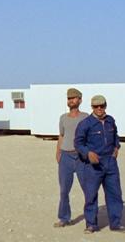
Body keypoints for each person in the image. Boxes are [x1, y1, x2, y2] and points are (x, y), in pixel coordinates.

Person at [74, 95, 125, 234]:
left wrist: (116, 147)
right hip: (93, 165)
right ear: (92, 107)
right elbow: (78, 143)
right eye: (96, 106)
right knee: (91, 195)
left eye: (102, 105)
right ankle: (91, 225)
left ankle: (116, 224)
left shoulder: (110, 120)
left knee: (115, 194)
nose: (99, 108)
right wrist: (88, 153)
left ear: (105, 105)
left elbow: (116, 136)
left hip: (110, 162)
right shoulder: (85, 124)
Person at [53, 88, 88, 228]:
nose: (71, 101)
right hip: (65, 157)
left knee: (88, 189)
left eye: (74, 98)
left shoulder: (86, 117)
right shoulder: (63, 118)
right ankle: (64, 218)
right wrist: (58, 152)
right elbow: (61, 135)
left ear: (80, 100)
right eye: (69, 98)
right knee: (64, 190)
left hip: (81, 158)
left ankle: (91, 219)